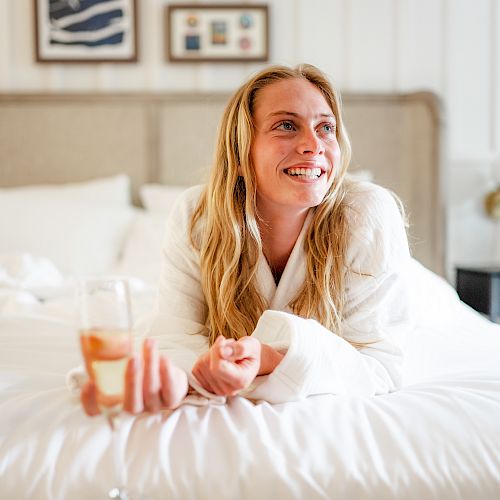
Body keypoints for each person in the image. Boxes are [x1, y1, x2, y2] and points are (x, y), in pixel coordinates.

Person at [81, 64, 413, 416]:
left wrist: (270, 358)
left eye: (325, 128)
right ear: (241, 151)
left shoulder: (367, 214)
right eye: (287, 125)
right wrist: (183, 378)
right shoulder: (198, 214)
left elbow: (379, 364)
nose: (313, 145)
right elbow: (176, 331)